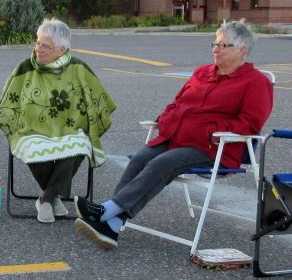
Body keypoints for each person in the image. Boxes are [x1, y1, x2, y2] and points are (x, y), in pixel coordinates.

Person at [74, 20, 274, 250]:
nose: (215, 49)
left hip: (213, 148)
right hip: (176, 137)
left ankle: (105, 211)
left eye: (223, 45)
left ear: (242, 50)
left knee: (162, 163)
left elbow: (250, 123)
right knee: (141, 158)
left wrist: (210, 131)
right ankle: (113, 225)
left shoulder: (256, 82)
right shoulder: (202, 73)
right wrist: (165, 119)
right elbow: (177, 103)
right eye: (214, 44)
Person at [0, 18, 116, 223]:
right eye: (37, 42)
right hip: (31, 128)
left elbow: (97, 99)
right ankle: (53, 196)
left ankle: (46, 198)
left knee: (79, 144)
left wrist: (88, 121)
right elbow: (8, 101)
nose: (38, 49)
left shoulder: (78, 68)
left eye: (45, 46)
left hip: (70, 128)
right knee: (31, 145)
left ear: (61, 50)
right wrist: (15, 123)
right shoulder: (25, 68)